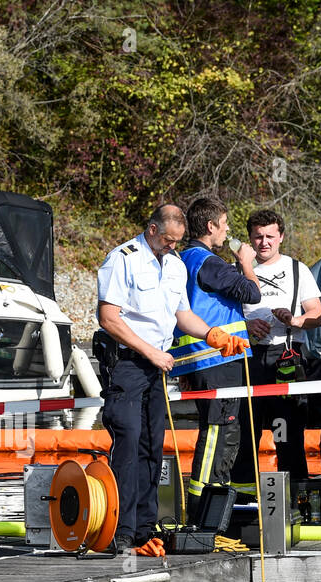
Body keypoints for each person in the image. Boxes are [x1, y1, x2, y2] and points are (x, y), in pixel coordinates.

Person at [97, 204, 249, 554]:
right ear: (152, 229)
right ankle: (120, 530)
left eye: (177, 241)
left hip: (156, 366)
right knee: (129, 442)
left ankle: (145, 528)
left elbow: (182, 315)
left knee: (153, 445)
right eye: (168, 240)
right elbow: (109, 317)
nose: (172, 246)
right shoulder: (124, 259)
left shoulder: (176, 265)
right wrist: (150, 352)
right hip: (129, 362)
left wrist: (215, 335)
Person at [179, 197, 261, 521]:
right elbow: (252, 293)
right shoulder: (208, 262)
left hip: (202, 360)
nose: (228, 230)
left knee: (218, 429)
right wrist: (246, 263)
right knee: (219, 430)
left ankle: (213, 503)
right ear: (211, 226)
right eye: (225, 223)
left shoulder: (182, 260)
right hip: (218, 357)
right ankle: (203, 510)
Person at [238, 209, 321, 482]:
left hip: (286, 357)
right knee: (245, 432)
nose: (264, 242)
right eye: (258, 237)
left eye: (270, 236)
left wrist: (296, 320)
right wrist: (246, 326)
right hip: (247, 356)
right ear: (250, 239)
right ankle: (244, 500)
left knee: (286, 432)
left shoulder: (297, 269)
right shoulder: (237, 271)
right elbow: (220, 318)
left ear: (281, 237)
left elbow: (318, 314)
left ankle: (295, 496)